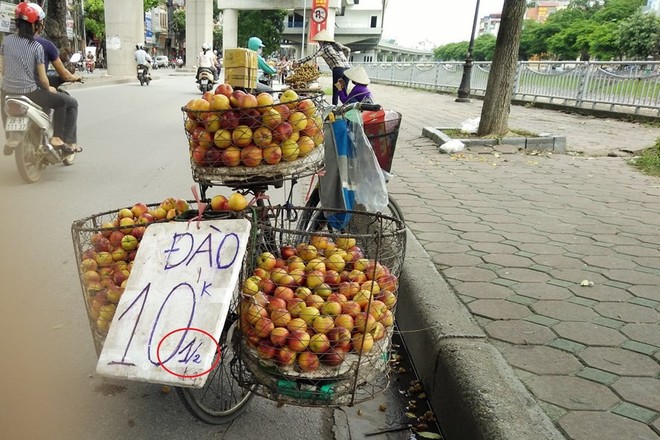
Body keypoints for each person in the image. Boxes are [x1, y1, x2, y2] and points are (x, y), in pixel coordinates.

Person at [0, 2, 75, 155]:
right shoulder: (37, 47)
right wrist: (49, 89)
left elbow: (2, 69)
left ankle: (10, 137)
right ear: (36, 25)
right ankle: (57, 139)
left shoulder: (6, 42)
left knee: (5, 104)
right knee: (61, 102)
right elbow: (43, 79)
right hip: (30, 92)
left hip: (7, 92)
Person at [35, 19, 82, 154]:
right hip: (35, 88)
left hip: (10, 90)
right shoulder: (42, 45)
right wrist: (47, 86)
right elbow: (45, 78)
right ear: (39, 25)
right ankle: (65, 141)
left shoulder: (9, 43)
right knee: (68, 102)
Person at [294, 29, 351, 105]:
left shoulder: (324, 48)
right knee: (344, 91)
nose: (319, 43)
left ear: (322, 41)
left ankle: (334, 110)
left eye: (319, 41)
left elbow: (312, 56)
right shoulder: (337, 44)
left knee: (336, 91)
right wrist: (346, 60)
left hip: (338, 69)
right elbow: (348, 49)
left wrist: (298, 62)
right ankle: (347, 109)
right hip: (347, 69)